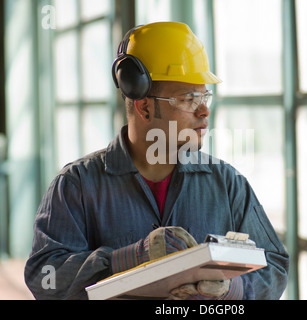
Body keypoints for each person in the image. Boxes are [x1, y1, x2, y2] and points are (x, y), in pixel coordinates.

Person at [24, 22, 289, 300]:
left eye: (204, 96)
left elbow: (276, 266)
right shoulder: (76, 186)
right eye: (189, 98)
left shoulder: (227, 184)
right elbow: (45, 279)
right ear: (145, 106)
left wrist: (233, 289)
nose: (204, 110)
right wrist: (128, 259)